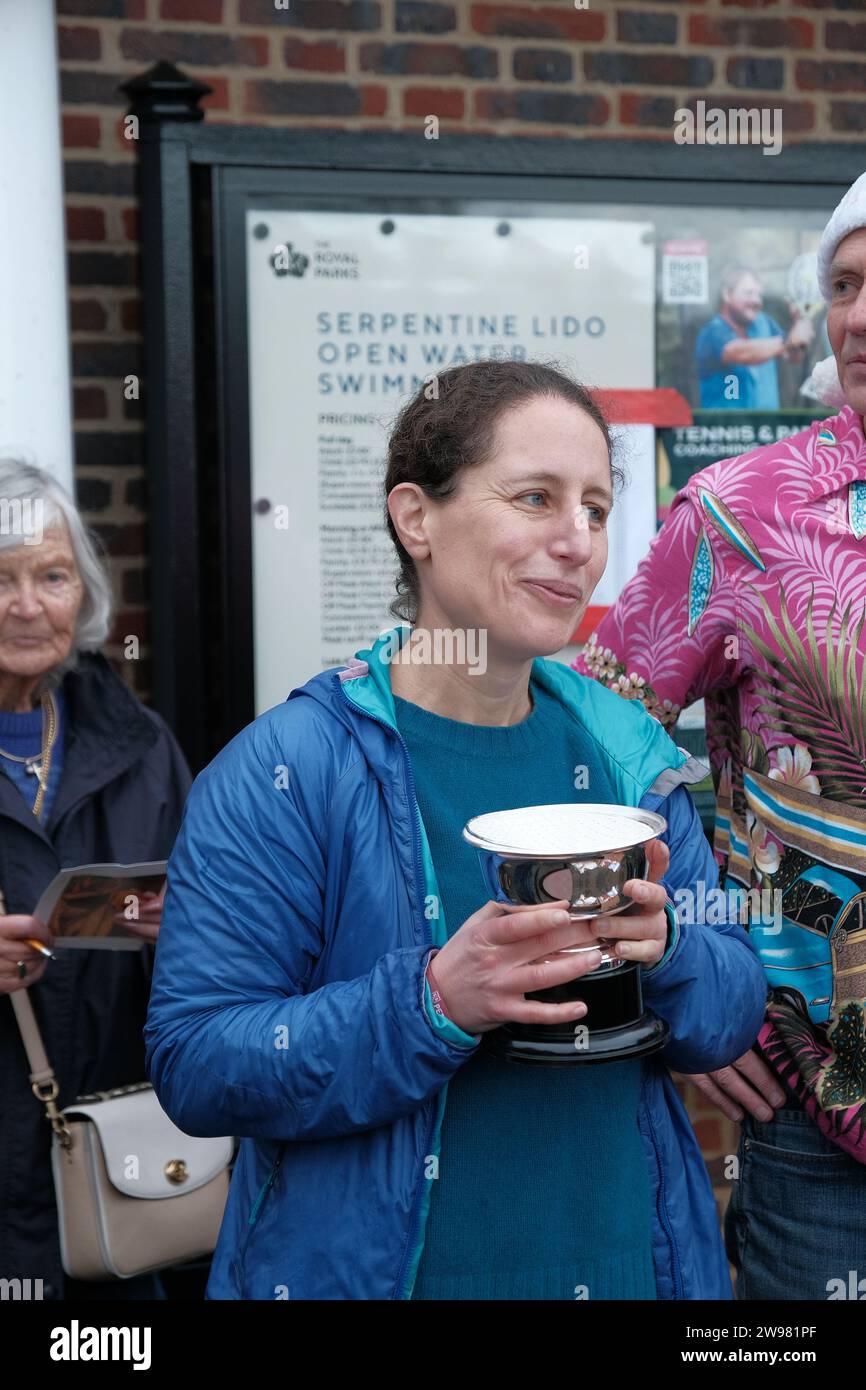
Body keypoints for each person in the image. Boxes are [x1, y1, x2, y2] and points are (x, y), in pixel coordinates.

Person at [145, 360, 766, 1301]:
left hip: (630, 1270)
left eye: (596, 509)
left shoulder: (630, 751)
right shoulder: (291, 769)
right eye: (535, 498)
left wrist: (672, 949)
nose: (577, 542)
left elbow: (727, 1012)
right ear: (416, 518)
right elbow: (197, 1064)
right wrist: (433, 1002)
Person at [575, 171, 866, 1300]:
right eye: (844, 283)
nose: (857, 315)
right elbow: (592, 744)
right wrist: (692, 980)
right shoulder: (742, 512)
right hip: (823, 1101)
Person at [0, 458, 191, 1300]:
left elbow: (223, 933)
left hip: (120, 1163)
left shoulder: (141, 745)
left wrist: (178, 928)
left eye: (51, 575)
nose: (28, 605)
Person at [694, 264, 813, 409]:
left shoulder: (764, 323)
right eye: (749, 293)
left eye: (758, 295)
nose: (757, 301)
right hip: (722, 428)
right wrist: (790, 340)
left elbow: (793, 357)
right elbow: (738, 352)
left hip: (765, 428)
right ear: (727, 295)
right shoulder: (712, 331)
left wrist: (798, 325)